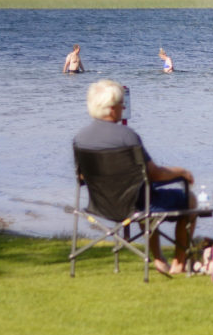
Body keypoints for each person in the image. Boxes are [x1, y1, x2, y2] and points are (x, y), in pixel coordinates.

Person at [73, 79, 197, 274]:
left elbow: (81, 177)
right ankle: (178, 263)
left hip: (100, 205)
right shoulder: (127, 137)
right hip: (135, 205)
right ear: (112, 108)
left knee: (143, 196)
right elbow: (154, 174)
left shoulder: (81, 138)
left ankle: (158, 258)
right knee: (189, 199)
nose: (123, 107)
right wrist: (181, 172)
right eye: (121, 103)